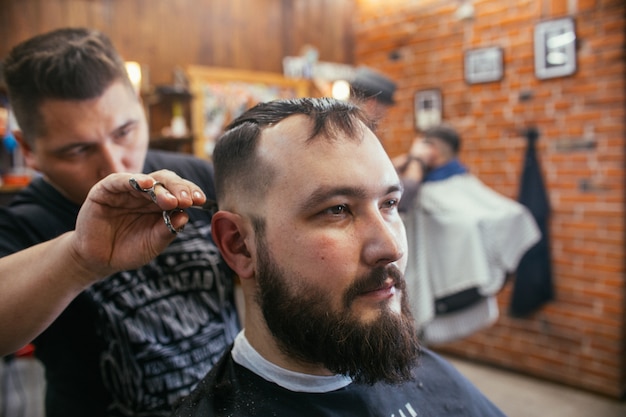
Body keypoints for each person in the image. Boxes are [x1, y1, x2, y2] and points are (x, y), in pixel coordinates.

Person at [171, 97, 507, 416]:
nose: (392, 248)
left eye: (389, 204)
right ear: (239, 245)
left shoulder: (427, 371)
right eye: (337, 210)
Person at [0, 28, 240, 416]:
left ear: (141, 110)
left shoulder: (197, 176)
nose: (114, 166)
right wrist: (78, 259)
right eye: (78, 149)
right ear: (28, 149)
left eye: (125, 132)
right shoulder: (26, 223)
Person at [397, 124, 540, 345]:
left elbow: (401, 203)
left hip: (447, 292)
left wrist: (416, 160)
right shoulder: (452, 183)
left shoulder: (425, 189)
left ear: (431, 150)